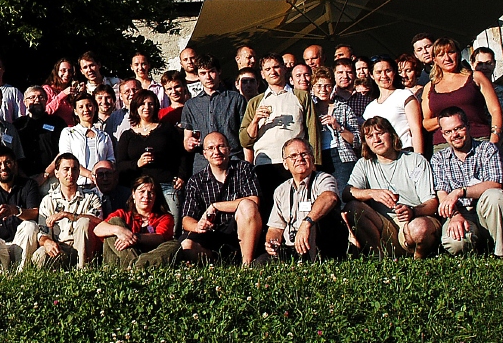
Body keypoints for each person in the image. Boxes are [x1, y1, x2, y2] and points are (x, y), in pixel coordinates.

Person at [345, 117, 441, 259]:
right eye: (370, 136)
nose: (376, 140)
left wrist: (413, 211)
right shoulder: (364, 164)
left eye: (380, 133)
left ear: (391, 135)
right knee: (352, 207)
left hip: (415, 220)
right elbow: (347, 193)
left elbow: (432, 202)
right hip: (384, 225)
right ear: (366, 142)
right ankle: (378, 258)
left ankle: (419, 259)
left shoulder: (415, 160)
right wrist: (372, 193)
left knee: (419, 228)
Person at [240, 53, 320, 216]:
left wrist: (315, 162)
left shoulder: (301, 96)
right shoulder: (255, 102)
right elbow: (244, 140)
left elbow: (313, 131)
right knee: (269, 210)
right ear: (262, 74)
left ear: (284, 69)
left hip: (295, 162)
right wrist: (255, 120)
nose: (273, 71)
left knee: (301, 207)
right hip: (266, 163)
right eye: (268, 69)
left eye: (276, 67)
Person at [430, 107, 503, 257]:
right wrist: (454, 215)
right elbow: (442, 194)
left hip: (486, 210)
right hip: (461, 212)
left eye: (458, 128)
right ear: (443, 134)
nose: (454, 135)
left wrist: (460, 192)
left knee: (496, 197)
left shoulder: (487, 149)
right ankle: (477, 248)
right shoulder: (439, 159)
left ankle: (502, 254)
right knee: (455, 243)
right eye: (448, 131)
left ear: (468, 126)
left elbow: (495, 183)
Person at [179, 131, 261, 267]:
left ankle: (246, 265)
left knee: (247, 205)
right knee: (187, 245)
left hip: (239, 232)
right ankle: (216, 262)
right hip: (210, 236)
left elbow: (254, 201)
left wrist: (215, 206)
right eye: (211, 148)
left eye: (221, 146)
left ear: (229, 150)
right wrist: (198, 226)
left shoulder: (244, 169)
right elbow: (186, 219)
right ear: (205, 154)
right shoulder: (195, 181)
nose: (216, 152)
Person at [264, 138, 342, 261]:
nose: (299, 159)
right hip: (291, 247)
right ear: (285, 164)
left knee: (316, 223)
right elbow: (275, 228)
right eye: (293, 156)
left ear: (312, 158)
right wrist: (272, 242)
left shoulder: (324, 178)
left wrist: (306, 224)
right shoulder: (281, 190)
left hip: (318, 243)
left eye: (304, 154)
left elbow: (330, 197)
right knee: (260, 263)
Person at [422, 38, 501, 155]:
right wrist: (450, 119)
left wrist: (495, 137)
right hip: (443, 146)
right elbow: (426, 124)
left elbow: (495, 110)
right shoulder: (429, 87)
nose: (447, 58)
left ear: (458, 54)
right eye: (441, 55)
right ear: (435, 60)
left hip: (478, 139)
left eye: (451, 52)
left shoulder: (476, 77)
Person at [116, 90, 185, 216]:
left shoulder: (167, 129)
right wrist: (137, 163)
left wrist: (181, 175)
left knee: (173, 223)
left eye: (151, 104)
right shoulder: (127, 136)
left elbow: (182, 153)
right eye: (142, 104)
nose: (147, 107)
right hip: (140, 189)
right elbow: (120, 165)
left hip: (166, 185)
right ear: (136, 107)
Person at [95, 176, 181, 269]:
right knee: (114, 223)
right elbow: (97, 229)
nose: (146, 196)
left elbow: (160, 238)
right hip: (119, 260)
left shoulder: (165, 217)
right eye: (142, 192)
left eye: (151, 193)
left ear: (156, 196)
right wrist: (118, 230)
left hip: (150, 257)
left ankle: (137, 266)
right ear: (133, 194)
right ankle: (137, 268)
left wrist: (135, 237)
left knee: (175, 245)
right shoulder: (122, 214)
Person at [34, 154, 102, 270]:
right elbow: (42, 232)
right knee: (40, 255)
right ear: (56, 173)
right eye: (66, 169)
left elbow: (98, 220)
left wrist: (68, 215)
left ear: (78, 173)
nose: (70, 173)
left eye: (74, 169)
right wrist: (47, 242)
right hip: (60, 248)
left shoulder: (91, 197)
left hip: (84, 248)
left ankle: (84, 271)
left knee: (84, 222)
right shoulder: (48, 200)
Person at [182, 56, 247, 174]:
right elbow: (187, 140)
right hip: (203, 164)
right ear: (198, 75)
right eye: (203, 73)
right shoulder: (191, 105)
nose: (208, 77)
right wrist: (189, 143)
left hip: (232, 160)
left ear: (219, 71)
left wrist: (248, 163)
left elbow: (245, 135)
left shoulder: (236, 99)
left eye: (211, 71)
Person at [309, 66, 359, 193]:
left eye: (327, 86)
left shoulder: (343, 108)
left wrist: (338, 126)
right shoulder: (310, 109)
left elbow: (357, 141)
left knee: (343, 194)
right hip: (318, 157)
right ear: (313, 88)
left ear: (332, 87)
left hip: (341, 156)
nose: (323, 90)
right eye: (319, 86)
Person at [471, 46, 503, 166]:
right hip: (478, 142)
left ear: (494, 64)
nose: (484, 67)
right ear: (472, 64)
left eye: (488, 63)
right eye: (480, 63)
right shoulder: (469, 92)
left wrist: (500, 139)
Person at [364, 56, 424, 154]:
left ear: (394, 72)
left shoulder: (405, 96)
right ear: (371, 75)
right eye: (379, 72)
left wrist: (419, 157)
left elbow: (416, 130)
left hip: (405, 152)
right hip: (383, 157)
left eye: (388, 71)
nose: (384, 76)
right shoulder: (369, 108)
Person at [58, 93, 115, 186]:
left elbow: (111, 160)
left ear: (95, 108)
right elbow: (66, 159)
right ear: (75, 111)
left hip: (100, 186)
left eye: (89, 106)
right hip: (77, 185)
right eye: (81, 107)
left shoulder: (104, 136)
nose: (86, 110)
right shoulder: (68, 133)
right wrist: (90, 175)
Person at [14, 85, 65, 191]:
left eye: (41, 97)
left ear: (46, 100)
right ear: (25, 102)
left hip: (51, 179)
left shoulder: (57, 122)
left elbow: (63, 150)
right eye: (32, 97)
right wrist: (23, 177)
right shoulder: (17, 125)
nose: (37, 100)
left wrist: (46, 174)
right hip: (23, 181)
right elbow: (12, 152)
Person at [331, 58, 369, 123]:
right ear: (333, 75)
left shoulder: (365, 100)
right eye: (340, 72)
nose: (345, 76)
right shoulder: (328, 98)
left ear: (355, 74)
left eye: (349, 72)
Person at [43, 58, 78, 127]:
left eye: (70, 71)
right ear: (56, 72)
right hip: (53, 129)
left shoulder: (72, 91)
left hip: (71, 129)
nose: (67, 74)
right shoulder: (47, 89)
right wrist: (62, 95)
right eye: (63, 70)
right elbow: (45, 112)